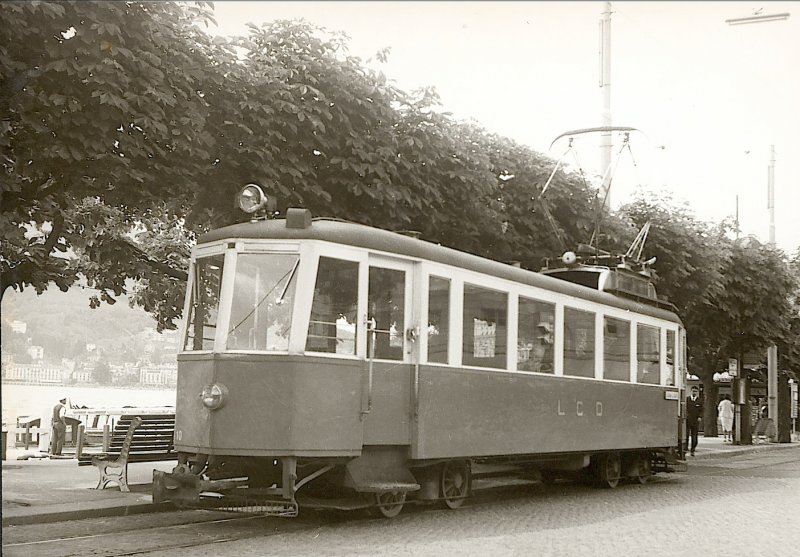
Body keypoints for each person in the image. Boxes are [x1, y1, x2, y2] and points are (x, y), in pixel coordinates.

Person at [686, 386, 703, 456]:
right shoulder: (687, 399)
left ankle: (693, 449)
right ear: (691, 391)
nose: (694, 392)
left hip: (695, 420)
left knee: (694, 435)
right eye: (693, 391)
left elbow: (702, 410)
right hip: (687, 420)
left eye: (695, 391)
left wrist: (700, 416)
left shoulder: (700, 400)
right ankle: (685, 448)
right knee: (686, 435)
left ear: (697, 392)